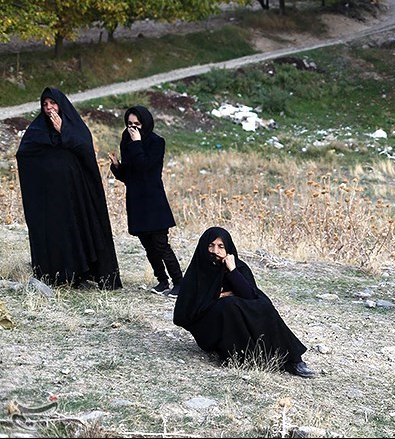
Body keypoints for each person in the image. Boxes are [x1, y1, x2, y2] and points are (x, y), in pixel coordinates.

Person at [15, 87, 121, 290]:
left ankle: (81, 274)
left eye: (52, 103)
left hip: (75, 195)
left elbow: (86, 151)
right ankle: (57, 277)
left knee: (78, 231)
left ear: (61, 104)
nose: (49, 108)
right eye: (45, 104)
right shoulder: (36, 130)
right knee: (56, 233)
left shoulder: (75, 126)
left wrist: (64, 131)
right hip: (50, 198)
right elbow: (24, 155)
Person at [173, 227, 315, 378]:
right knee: (228, 305)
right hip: (208, 328)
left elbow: (250, 295)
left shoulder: (238, 267)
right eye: (211, 245)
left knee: (263, 305)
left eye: (221, 246)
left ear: (228, 248)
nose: (215, 251)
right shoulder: (198, 270)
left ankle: (293, 359)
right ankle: (241, 358)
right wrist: (217, 296)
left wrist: (232, 270)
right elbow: (186, 311)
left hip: (231, 312)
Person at [108, 106, 183, 297]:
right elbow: (129, 176)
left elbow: (145, 169)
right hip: (136, 201)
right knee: (148, 247)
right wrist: (116, 166)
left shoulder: (156, 142)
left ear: (146, 123)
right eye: (129, 124)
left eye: (137, 124)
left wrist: (137, 143)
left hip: (153, 201)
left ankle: (179, 283)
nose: (133, 128)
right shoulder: (127, 139)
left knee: (161, 245)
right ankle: (162, 281)